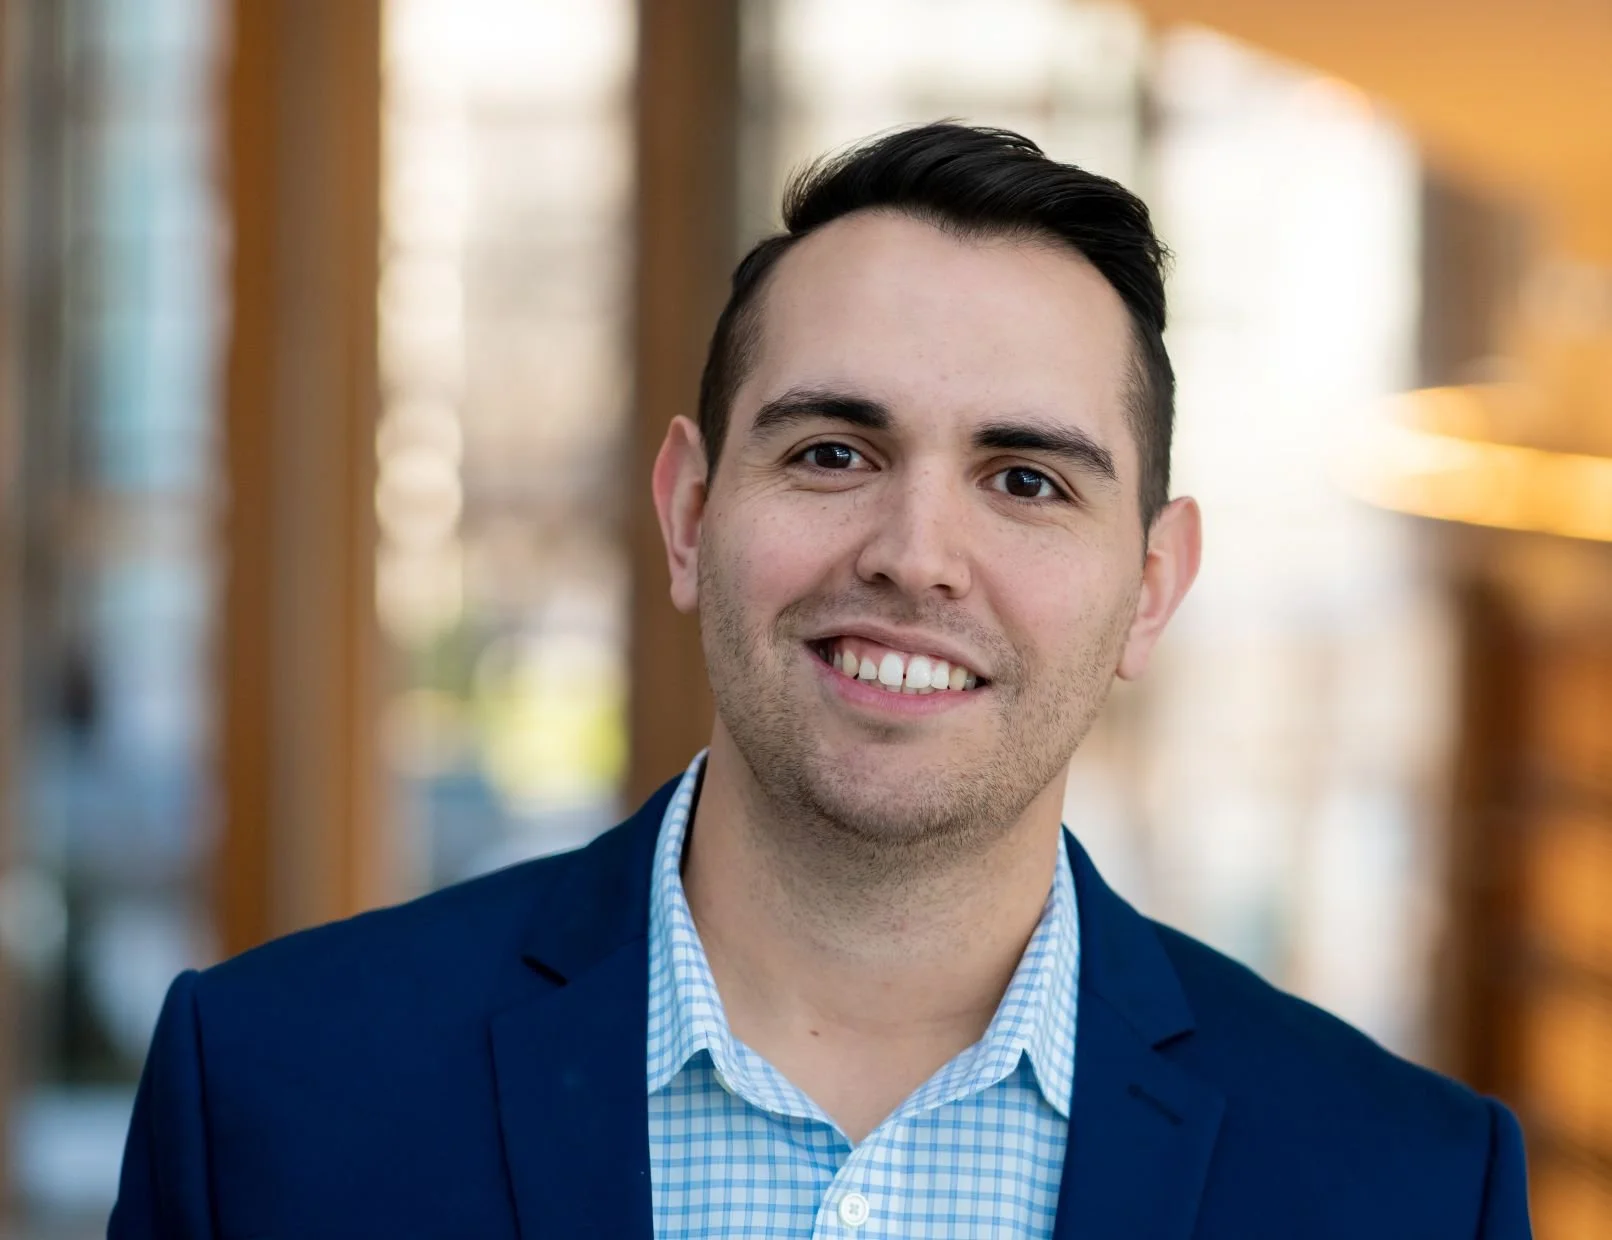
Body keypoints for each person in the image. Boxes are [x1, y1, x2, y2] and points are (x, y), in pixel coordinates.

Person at [110, 122, 1531, 1239]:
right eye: (834, 453)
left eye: (1025, 479)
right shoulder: (269, 1099)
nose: (918, 556)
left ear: (1150, 588)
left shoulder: (1403, 1189)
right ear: (687, 512)